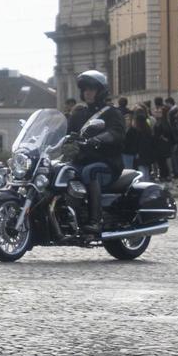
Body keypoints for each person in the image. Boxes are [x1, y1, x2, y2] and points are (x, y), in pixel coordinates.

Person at [66, 71, 126, 235]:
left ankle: (95, 220)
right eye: (85, 89)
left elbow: (117, 133)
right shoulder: (78, 115)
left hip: (107, 162)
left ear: (100, 91)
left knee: (89, 171)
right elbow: (66, 134)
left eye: (91, 89)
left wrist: (100, 138)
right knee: (60, 172)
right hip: (81, 159)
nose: (88, 92)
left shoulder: (111, 113)